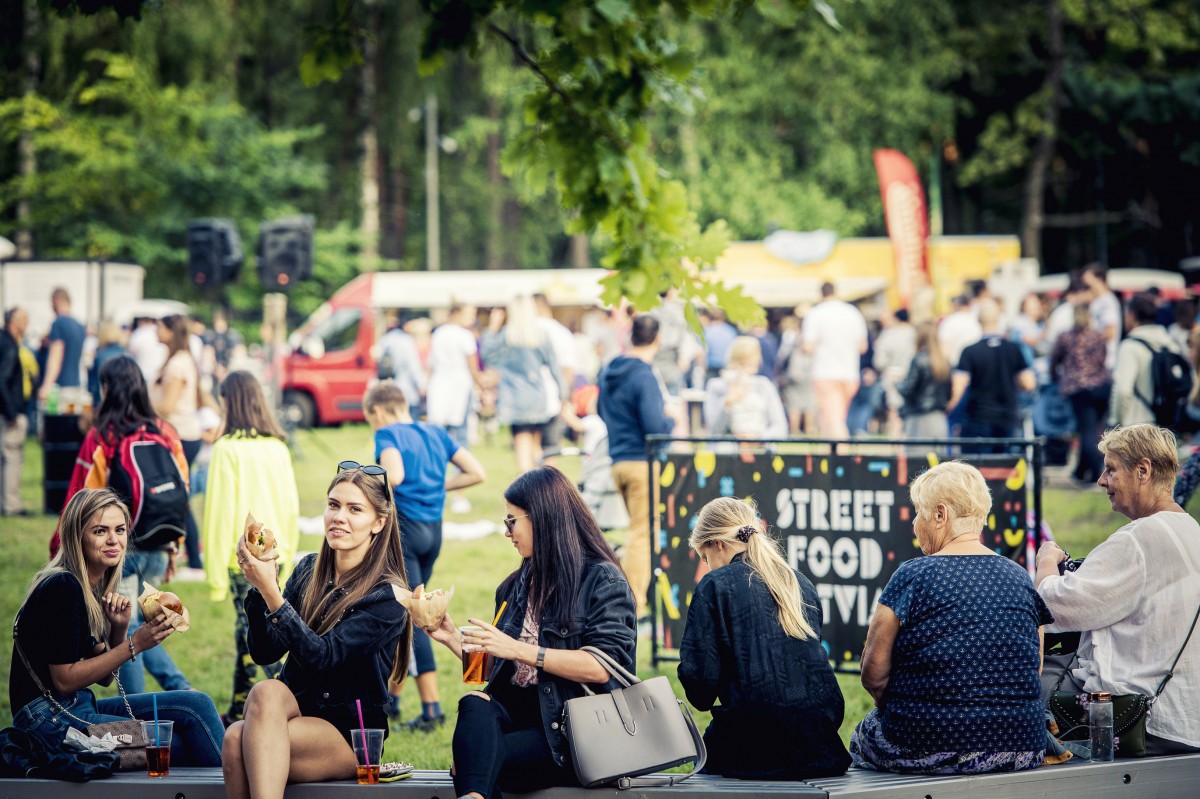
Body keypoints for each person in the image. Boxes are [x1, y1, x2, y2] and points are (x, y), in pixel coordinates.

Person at [427, 466, 637, 799]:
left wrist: (519, 650)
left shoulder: (602, 580)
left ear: (542, 518)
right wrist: (452, 637)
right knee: (474, 704)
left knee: (476, 761)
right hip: (518, 717)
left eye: (512, 521)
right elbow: (491, 670)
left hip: (572, 733)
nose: (507, 532)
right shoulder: (514, 586)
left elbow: (603, 666)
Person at [222, 463, 413, 797]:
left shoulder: (388, 596)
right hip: (292, 712)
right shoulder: (309, 569)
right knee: (259, 700)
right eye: (333, 505)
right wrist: (258, 587)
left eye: (355, 509)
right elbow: (265, 652)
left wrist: (272, 594)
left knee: (238, 740)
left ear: (379, 523)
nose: (339, 517)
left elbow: (323, 657)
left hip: (350, 735)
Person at [852, 461, 1051, 774]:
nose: (915, 523)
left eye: (919, 512)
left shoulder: (912, 575)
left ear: (940, 514)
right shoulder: (1019, 576)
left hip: (927, 746)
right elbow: (1034, 666)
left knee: (861, 736)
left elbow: (873, 674)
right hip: (1021, 747)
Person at [9, 488, 224, 762]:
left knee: (197, 705)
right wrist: (136, 643)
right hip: (49, 723)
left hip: (75, 709)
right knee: (175, 741)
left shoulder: (90, 588)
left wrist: (120, 629)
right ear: (78, 536)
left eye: (120, 530)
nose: (113, 540)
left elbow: (104, 677)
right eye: (100, 531)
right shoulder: (63, 587)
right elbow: (64, 681)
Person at [1036, 424, 1200, 754]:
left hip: (1142, 723)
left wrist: (1046, 562)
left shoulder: (1139, 539)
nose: (1101, 481)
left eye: (1111, 469)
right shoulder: (1189, 529)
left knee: (1023, 686)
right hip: (1184, 719)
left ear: (1143, 470)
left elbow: (1051, 608)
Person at [678, 497, 850, 779]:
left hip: (754, 749)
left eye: (704, 557)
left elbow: (701, 692)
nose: (707, 566)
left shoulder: (715, 586)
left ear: (717, 544)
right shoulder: (798, 581)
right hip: (821, 746)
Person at [50, 355, 192, 694]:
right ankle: (182, 691)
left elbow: (80, 498)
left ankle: (139, 716)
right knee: (138, 626)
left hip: (116, 548)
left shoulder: (103, 438)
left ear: (106, 389)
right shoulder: (165, 432)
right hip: (159, 544)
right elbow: (180, 490)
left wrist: (60, 549)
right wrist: (175, 546)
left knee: (127, 632)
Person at [363, 380, 486, 731]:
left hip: (405, 532)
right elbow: (477, 472)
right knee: (402, 610)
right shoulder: (436, 432)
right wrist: (437, 485)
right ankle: (393, 699)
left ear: (377, 412)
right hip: (434, 532)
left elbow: (395, 475)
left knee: (417, 613)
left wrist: (364, 484)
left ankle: (432, 709)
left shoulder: (387, 434)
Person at [202, 371, 300, 726]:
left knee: (256, 636)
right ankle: (238, 708)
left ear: (231, 402)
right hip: (278, 556)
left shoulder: (226, 448)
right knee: (249, 631)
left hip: (241, 559)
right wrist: (287, 552)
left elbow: (219, 512)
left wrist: (214, 573)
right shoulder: (277, 446)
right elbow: (290, 504)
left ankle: (292, 700)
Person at [597, 315, 678, 619]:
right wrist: (672, 419)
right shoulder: (644, 375)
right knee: (641, 536)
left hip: (617, 459)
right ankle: (633, 605)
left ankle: (627, 599)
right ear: (657, 340)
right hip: (642, 462)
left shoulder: (608, 370)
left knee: (635, 533)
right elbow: (655, 426)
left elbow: (599, 409)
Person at [481, 296, 565, 474]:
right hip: (537, 395)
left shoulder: (506, 337)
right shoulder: (540, 336)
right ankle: (543, 489)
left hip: (515, 397)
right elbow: (554, 367)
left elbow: (486, 355)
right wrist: (563, 394)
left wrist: (492, 328)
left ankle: (527, 490)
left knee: (522, 443)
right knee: (536, 444)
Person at [152, 314, 204, 576]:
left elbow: (167, 406)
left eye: (159, 326)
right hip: (183, 435)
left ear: (171, 331)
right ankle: (190, 554)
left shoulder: (177, 363)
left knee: (179, 500)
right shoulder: (182, 359)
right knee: (180, 498)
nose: (155, 330)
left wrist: (143, 406)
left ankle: (194, 559)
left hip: (180, 436)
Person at [949, 299, 1036, 452]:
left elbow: (958, 388)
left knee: (980, 467)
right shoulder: (1013, 349)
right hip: (1007, 415)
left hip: (978, 416)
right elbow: (1029, 383)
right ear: (998, 319)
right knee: (1005, 467)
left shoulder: (970, 351)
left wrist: (948, 408)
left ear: (978, 320)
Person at [1050, 303, 1111, 484]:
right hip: (1101, 386)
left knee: (1087, 431)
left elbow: (1054, 360)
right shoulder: (1098, 337)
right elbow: (1103, 359)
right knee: (1094, 428)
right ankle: (1081, 470)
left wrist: (1058, 379)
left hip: (1079, 389)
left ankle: (1094, 473)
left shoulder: (1066, 337)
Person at [1109, 292, 1187, 427]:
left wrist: (1115, 421)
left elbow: (1123, 390)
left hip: (1136, 426)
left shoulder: (1130, 346)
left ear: (1132, 315)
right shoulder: (1169, 342)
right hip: (1165, 425)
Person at [802, 282, 868, 439]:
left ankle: (843, 459)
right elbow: (863, 346)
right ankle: (831, 456)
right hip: (850, 374)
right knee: (834, 418)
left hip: (825, 373)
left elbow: (808, 347)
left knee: (834, 420)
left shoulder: (815, 313)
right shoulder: (852, 312)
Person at [702, 336, 786, 439]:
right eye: (740, 364)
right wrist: (728, 402)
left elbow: (780, 427)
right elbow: (714, 430)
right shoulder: (716, 386)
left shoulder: (764, 385)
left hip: (760, 448)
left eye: (749, 364)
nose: (743, 370)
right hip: (727, 450)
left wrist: (757, 438)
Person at [427, 303, 485, 448]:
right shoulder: (465, 335)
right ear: (457, 314)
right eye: (470, 315)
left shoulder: (438, 333)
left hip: (439, 384)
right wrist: (480, 383)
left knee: (439, 431)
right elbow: (473, 365)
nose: (472, 319)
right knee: (461, 432)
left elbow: (431, 362)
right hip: (460, 386)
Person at [897, 320, 951, 440]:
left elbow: (908, 389)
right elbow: (949, 393)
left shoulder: (919, 360)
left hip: (919, 417)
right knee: (938, 457)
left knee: (918, 456)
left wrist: (897, 383)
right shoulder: (944, 362)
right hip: (939, 417)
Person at [1, 307, 30, 516]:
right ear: (16, 322)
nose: (27, 325)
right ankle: (11, 504)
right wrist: (11, 414)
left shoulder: (4, 342)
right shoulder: (10, 347)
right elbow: (2, 380)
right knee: (12, 457)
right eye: (25, 321)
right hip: (9, 414)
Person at [38, 287, 87, 400]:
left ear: (56, 300)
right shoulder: (79, 326)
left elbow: (56, 356)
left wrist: (46, 386)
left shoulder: (58, 323)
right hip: (75, 385)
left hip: (59, 388)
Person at [1082, 263, 1122, 372]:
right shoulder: (1098, 301)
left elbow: (1110, 331)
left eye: (1089, 285)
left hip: (1105, 361)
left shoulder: (1108, 302)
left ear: (1100, 279)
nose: (1087, 289)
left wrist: (1085, 341)